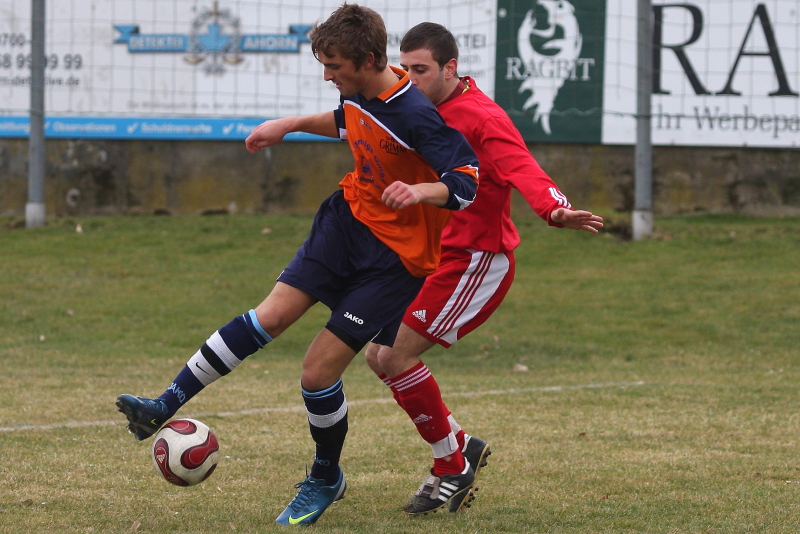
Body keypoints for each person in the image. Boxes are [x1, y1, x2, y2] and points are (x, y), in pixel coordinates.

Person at [115, 6, 479, 526]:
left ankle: (326, 476)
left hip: (395, 260)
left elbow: (466, 179)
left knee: (317, 371)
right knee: (269, 316)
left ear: (368, 60)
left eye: (334, 67)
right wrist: (288, 125)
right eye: (323, 65)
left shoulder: (414, 112)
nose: (327, 76)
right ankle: (163, 405)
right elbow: (348, 121)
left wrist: (422, 191)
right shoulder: (359, 88)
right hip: (346, 222)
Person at [363, 22, 604, 515]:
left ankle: (450, 466)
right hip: (430, 256)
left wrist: (555, 209)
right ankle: (460, 445)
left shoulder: (482, 117)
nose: (409, 79)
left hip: (475, 258)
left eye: (420, 70)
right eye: (403, 69)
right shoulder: (410, 104)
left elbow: (522, 166)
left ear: (450, 68)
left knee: (396, 356)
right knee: (377, 356)